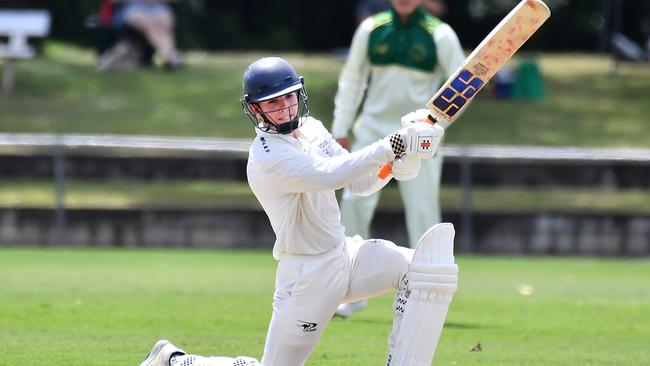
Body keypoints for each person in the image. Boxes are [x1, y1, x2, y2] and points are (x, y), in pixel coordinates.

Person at [138, 56, 459, 366]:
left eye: (288, 97)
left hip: (344, 255)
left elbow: (359, 183)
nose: (285, 107)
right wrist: (395, 144)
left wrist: (400, 161)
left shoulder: (312, 129)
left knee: (424, 271)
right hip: (307, 275)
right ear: (255, 109)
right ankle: (176, 361)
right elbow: (330, 174)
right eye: (273, 103)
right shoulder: (268, 158)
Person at [331, 0, 465, 317]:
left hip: (420, 135)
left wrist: (432, 128)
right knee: (353, 204)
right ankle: (349, 293)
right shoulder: (371, 29)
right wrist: (340, 128)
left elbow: (461, 88)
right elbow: (352, 80)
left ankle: (427, 294)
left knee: (422, 213)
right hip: (373, 132)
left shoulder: (440, 35)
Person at [106, 0, 182, 70]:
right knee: (148, 24)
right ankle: (169, 56)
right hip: (134, 9)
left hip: (158, 8)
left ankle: (168, 56)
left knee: (165, 23)